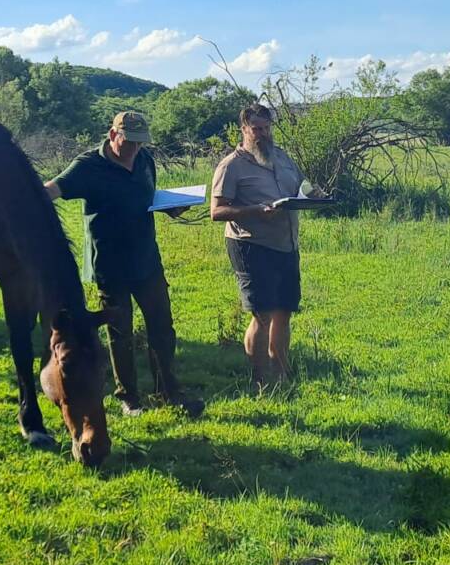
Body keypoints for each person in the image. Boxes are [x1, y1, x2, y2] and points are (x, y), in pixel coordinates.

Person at [45, 110, 203, 417]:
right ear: (113, 133)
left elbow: (145, 198)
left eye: (140, 142)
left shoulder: (145, 161)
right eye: (129, 141)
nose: (134, 148)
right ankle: (129, 397)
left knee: (162, 326)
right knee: (120, 332)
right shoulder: (88, 166)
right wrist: (26, 200)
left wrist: (170, 208)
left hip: (146, 258)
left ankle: (170, 390)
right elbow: (54, 188)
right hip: (110, 263)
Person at [210, 102, 307, 388]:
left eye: (266, 128)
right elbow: (217, 212)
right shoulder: (231, 166)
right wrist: (255, 210)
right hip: (250, 245)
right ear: (244, 129)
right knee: (262, 313)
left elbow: (299, 188)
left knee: (284, 310)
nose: (263, 134)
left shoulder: (282, 157)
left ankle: (281, 373)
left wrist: (315, 195)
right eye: (256, 129)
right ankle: (260, 379)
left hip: (286, 243)